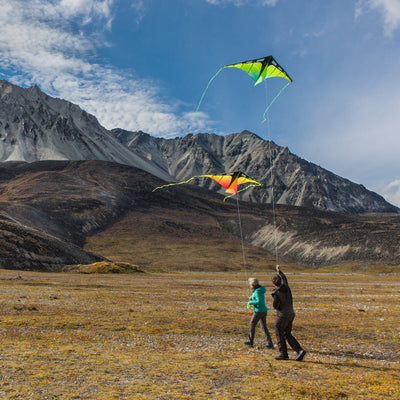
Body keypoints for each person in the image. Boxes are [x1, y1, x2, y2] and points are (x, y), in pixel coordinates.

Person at [271, 265, 306, 361]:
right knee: (287, 333)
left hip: (282, 315)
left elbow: (275, 306)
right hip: (291, 314)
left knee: (279, 332)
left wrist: (274, 295)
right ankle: (299, 350)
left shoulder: (277, 293)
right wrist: (279, 271)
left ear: (274, 283)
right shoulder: (286, 287)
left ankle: (283, 353)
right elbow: (285, 278)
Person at [244, 277, 274, 349]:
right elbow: (257, 297)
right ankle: (270, 343)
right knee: (264, 327)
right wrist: (251, 297)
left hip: (259, 311)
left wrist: (250, 302)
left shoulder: (257, 291)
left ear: (253, 285)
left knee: (252, 324)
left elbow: (258, 301)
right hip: (263, 310)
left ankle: (251, 341)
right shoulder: (259, 290)